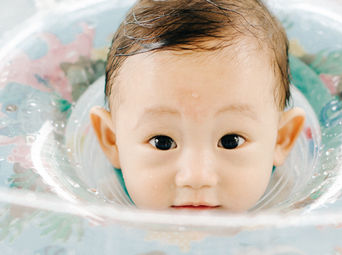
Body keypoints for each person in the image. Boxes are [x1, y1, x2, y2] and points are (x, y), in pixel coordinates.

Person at [90, 0, 305, 212]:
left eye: (230, 141)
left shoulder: (295, 208)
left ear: (281, 138)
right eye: (162, 142)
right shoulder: (98, 207)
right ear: (112, 140)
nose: (196, 177)